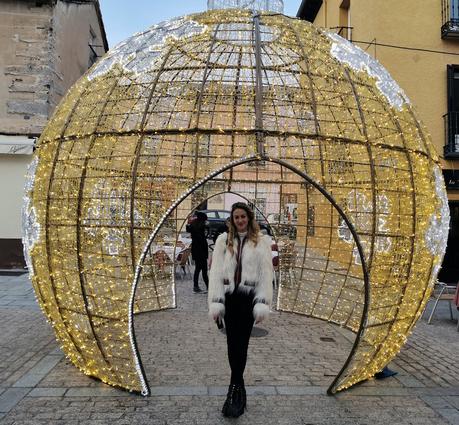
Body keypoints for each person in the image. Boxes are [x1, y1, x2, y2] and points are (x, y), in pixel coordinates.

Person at [208, 202, 273, 418]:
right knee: (231, 344)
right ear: (232, 220)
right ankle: (238, 387)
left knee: (241, 345)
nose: (240, 220)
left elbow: (266, 275)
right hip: (229, 299)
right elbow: (215, 273)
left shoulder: (261, 242)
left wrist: (262, 303)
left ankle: (234, 389)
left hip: (247, 300)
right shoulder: (222, 241)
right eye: (236, 217)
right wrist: (216, 302)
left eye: (243, 216)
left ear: (249, 218)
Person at [188, 211, 209, 293]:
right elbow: (203, 241)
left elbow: (188, 228)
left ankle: (196, 286)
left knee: (198, 269)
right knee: (203, 270)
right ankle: (207, 287)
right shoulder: (200, 228)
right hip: (201, 252)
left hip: (196, 251)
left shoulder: (194, 226)